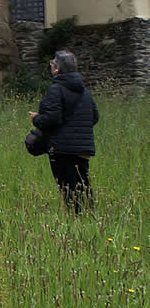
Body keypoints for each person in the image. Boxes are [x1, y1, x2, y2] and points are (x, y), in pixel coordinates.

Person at [29, 50, 99, 214]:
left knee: (68, 190)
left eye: (52, 63)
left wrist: (36, 119)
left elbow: (52, 120)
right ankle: (89, 221)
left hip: (61, 149)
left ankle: (77, 224)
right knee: (84, 187)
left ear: (57, 70)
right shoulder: (84, 91)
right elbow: (94, 116)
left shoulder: (56, 89)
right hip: (83, 149)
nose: (51, 66)